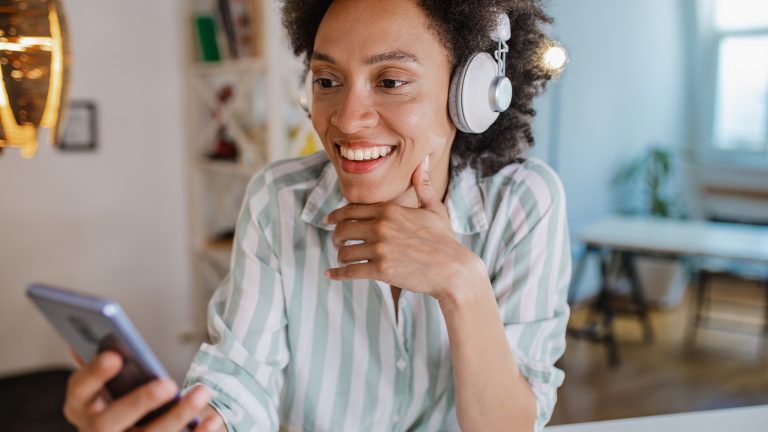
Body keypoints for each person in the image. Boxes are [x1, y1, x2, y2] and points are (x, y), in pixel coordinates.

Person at [62, 0, 570, 430]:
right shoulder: (278, 199)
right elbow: (238, 380)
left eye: (391, 81)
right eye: (328, 79)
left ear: (473, 95)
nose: (346, 120)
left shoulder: (525, 204)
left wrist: (461, 283)